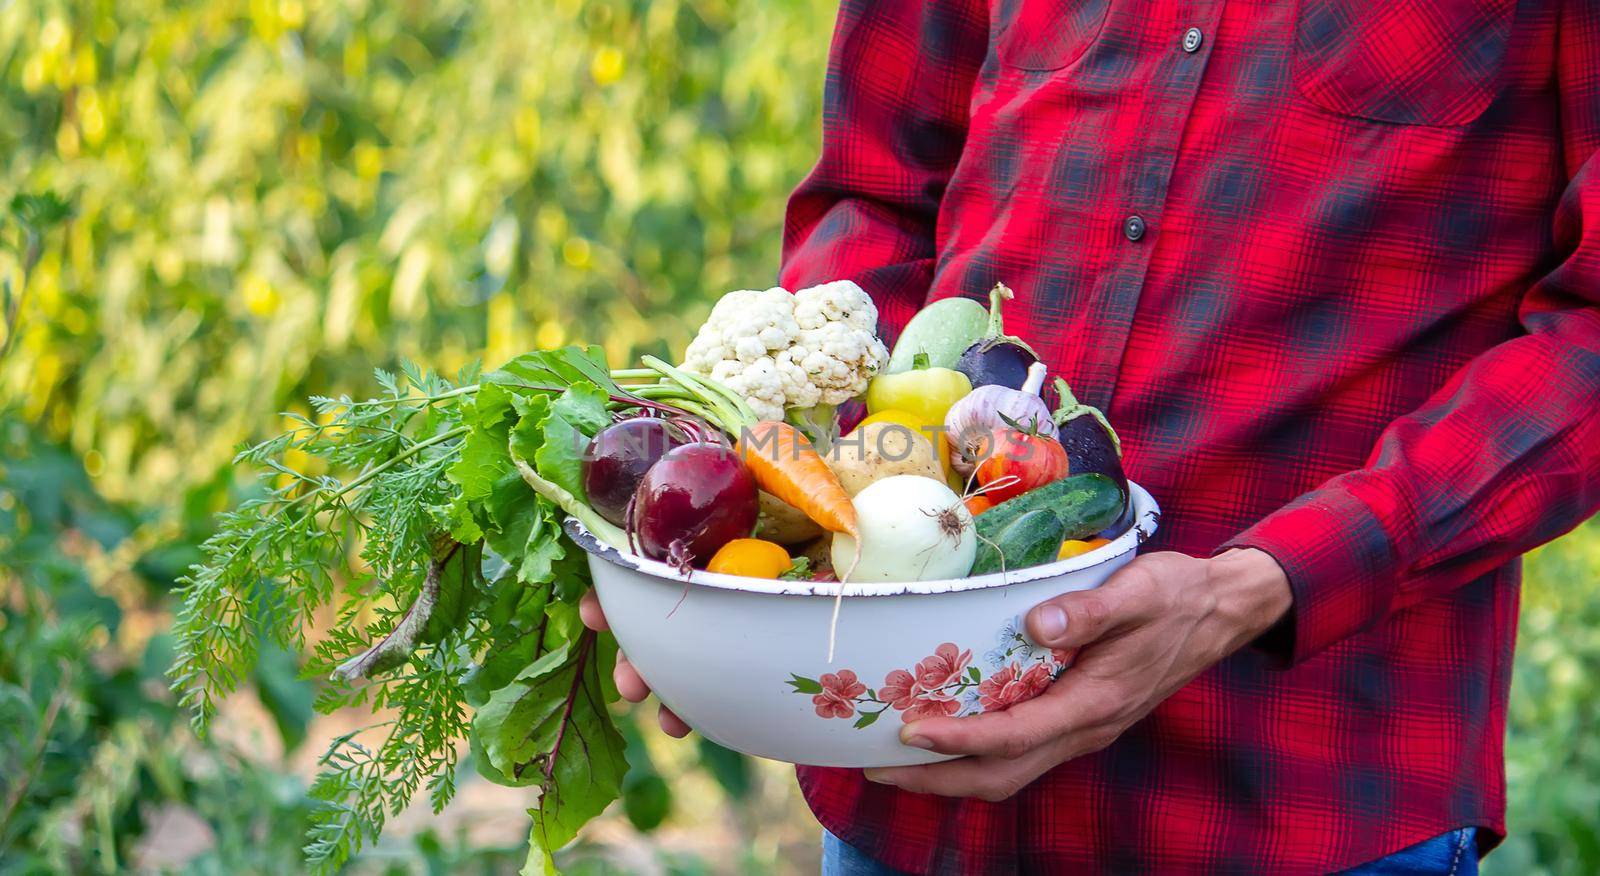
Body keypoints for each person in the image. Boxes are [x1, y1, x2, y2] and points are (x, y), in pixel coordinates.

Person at [580, 0, 1600, 871]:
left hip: (1301, 799)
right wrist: (745, 561)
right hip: (909, 797)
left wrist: (1258, 585)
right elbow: (879, 194)